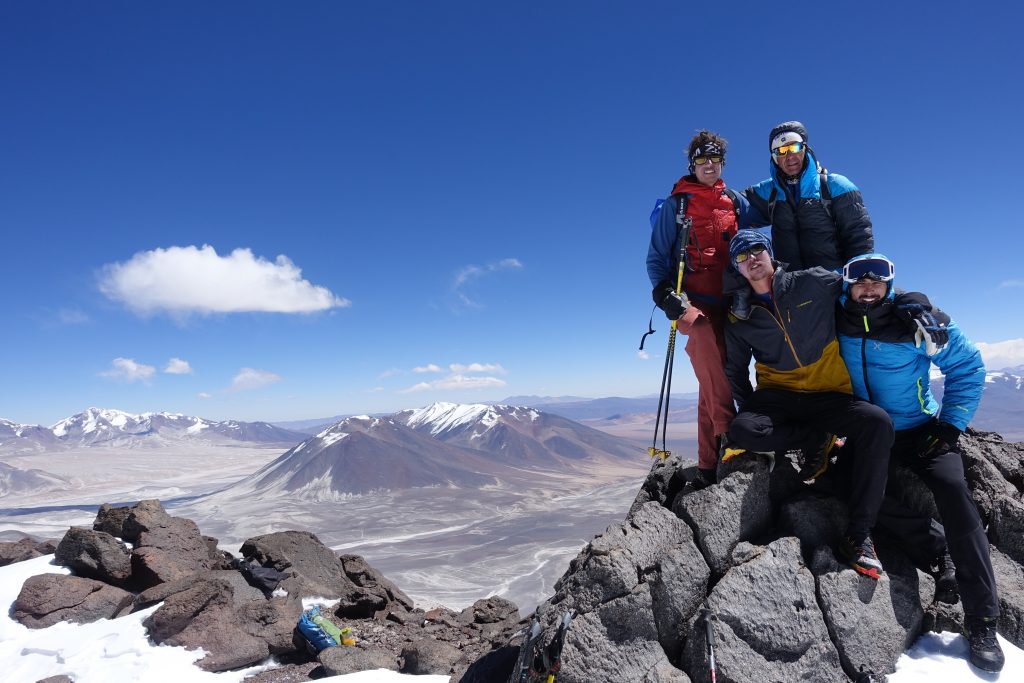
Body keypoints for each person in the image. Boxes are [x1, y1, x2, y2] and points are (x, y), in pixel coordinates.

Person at [836, 253, 1003, 672]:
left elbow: (967, 366)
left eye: (878, 280)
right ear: (847, 286)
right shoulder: (835, 319)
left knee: (952, 490)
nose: (869, 286)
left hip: (917, 429)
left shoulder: (917, 322)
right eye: (860, 281)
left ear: (890, 284)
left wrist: (949, 428)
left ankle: (983, 619)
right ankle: (936, 545)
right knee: (838, 483)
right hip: (869, 432)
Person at [723, 230, 894, 579]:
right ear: (737, 268)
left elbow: (862, 290)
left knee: (877, 423)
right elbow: (735, 368)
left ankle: (859, 534)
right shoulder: (739, 316)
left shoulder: (812, 282)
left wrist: (914, 302)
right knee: (743, 430)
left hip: (828, 390)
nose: (751, 259)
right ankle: (816, 438)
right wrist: (748, 408)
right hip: (778, 394)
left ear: (770, 254)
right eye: (741, 256)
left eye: (757, 250)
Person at [647, 130, 753, 491]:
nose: (709, 165)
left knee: (714, 377)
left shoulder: (734, 202)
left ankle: (708, 464)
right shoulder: (676, 206)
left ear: (723, 163)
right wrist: (663, 294)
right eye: (702, 160)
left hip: (729, 299)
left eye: (715, 160)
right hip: (688, 301)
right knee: (707, 341)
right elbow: (657, 257)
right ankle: (729, 431)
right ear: (691, 164)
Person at [744, 121, 873, 271]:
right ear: (774, 158)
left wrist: (858, 281)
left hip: (833, 285)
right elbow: (732, 205)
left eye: (794, 147)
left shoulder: (835, 185)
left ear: (804, 148)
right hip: (791, 288)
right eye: (781, 151)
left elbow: (859, 240)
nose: (790, 156)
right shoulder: (768, 192)